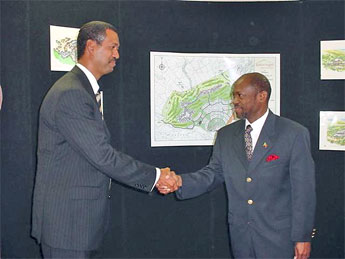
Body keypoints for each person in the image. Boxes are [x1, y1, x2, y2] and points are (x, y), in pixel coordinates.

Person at [31, 21, 180, 258]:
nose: (117, 55)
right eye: (112, 47)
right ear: (91, 47)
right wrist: (156, 176)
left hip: (75, 224)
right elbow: (102, 156)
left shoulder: (81, 91)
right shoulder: (72, 94)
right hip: (68, 225)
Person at [158, 72, 316, 259]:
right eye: (233, 95)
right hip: (241, 237)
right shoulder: (226, 135)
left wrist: (303, 237)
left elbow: (303, 191)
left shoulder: (293, 134)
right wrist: (179, 181)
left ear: (261, 96)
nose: (234, 101)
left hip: (279, 238)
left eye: (240, 95)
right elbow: (213, 173)